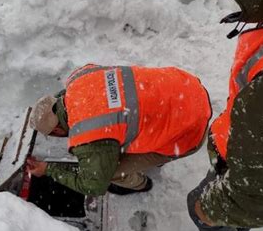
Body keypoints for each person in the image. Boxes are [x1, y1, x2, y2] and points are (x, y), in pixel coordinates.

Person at [27, 64, 212, 196]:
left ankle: (141, 184)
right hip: (185, 85)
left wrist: (49, 169)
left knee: (111, 171)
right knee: (122, 127)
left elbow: (94, 186)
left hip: (190, 129)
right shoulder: (80, 76)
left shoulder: (88, 135)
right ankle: (154, 147)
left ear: (58, 130)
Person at [187, 0, 263, 231]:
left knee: (198, 205)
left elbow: (260, 196)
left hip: (240, 166)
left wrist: (206, 210)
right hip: (243, 152)